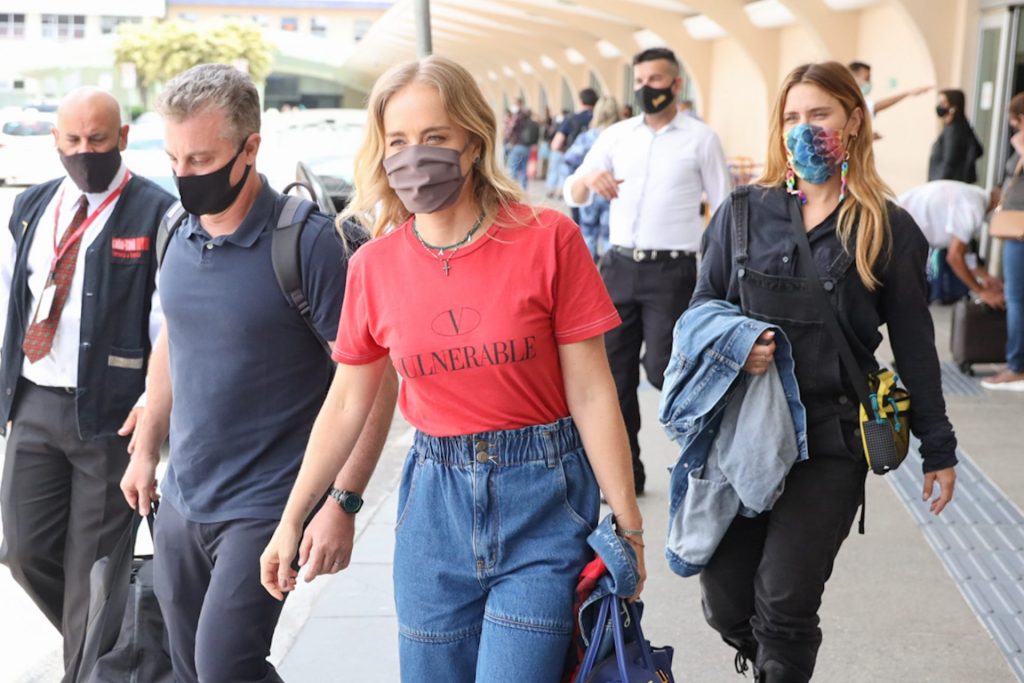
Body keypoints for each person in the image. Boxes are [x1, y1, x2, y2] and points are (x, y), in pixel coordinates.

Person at [259, 55, 646, 682]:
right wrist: (294, 518)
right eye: (399, 142)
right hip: (433, 509)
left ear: (472, 139)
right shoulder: (374, 266)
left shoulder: (548, 238)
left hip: (543, 503)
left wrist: (628, 528)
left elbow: (593, 391)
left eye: (434, 138)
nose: (416, 157)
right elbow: (346, 404)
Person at [119, 64, 397, 683]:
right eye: (174, 159)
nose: (184, 176)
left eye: (201, 158)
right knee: (189, 667)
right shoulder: (173, 229)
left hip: (269, 506)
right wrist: (144, 451)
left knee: (225, 666)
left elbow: (374, 383)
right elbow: (173, 341)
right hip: (184, 501)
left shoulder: (309, 245)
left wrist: (343, 502)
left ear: (250, 149)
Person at [691, 61, 957, 682]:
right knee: (726, 598)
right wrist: (737, 343)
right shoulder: (742, 212)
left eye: (820, 115)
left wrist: (938, 448)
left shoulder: (885, 227)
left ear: (854, 121)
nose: (803, 129)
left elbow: (917, 348)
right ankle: (771, 664)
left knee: (784, 604)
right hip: (745, 434)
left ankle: (781, 667)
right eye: (791, 118)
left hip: (832, 439)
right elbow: (702, 307)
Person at [0, 87, 176, 681]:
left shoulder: (158, 213)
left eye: (98, 140)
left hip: (112, 418)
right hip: (34, 403)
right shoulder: (30, 206)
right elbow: (14, 305)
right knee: (24, 552)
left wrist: (154, 409)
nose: (84, 152)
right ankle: (116, 645)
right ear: (54, 142)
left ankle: (87, 668)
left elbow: (169, 325)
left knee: (95, 572)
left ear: (123, 138)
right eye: (72, 141)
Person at [564, 47, 731, 493]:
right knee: (613, 379)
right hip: (617, 268)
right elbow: (573, 190)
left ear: (676, 85)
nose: (645, 89)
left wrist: (719, 277)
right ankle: (625, 475)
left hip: (672, 271)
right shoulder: (617, 136)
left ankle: (704, 458)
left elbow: (725, 210)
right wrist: (588, 181)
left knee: (664, 370)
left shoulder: (701, 138)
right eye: (639, 81)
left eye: (656, 80)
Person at [898, 180, 1004, 306]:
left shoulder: (974, 197)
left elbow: (963, 255)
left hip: (900, 235)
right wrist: (981, 291)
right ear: (1001, 201)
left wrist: (986, 277)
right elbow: (955, 257)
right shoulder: (973, 207)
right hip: (896, 235)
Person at [981, 91, 1024, 391]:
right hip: (1015, 228)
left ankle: (1016, 367)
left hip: (1019, 230)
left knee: (1017, 298)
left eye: (1015, 122)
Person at [562, 96, 621, 258]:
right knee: (611, 238)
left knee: (588, 236)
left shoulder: (588, 137)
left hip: (589, 195)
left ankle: (591, 272)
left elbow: (569, 159)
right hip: (613, 195)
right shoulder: (622, 136)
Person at [928, 88, 984, 184]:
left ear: (953, 106)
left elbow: (950, 161)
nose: (939, 106)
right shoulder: (961, 126)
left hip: (947, 185)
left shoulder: (954, 129)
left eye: (943, 103)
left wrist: (938, 185)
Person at [848, 61, 931, 117]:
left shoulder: (855, 99)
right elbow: (875, 106)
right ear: (853, 76)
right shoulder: (845, 98)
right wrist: (907, 93)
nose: (869, 82)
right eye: (867, 78)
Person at [503, 97, 530, 189]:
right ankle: (524, 187)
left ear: (518, 104)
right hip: (527, 146)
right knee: (523, 168)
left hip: (516, 145)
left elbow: (511, 129)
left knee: (513, 168)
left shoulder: (517, 116)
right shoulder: (528, 115)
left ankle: (512, 189)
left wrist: (507, 139)